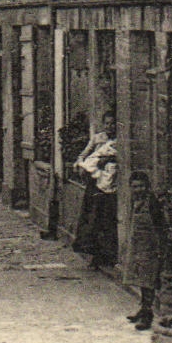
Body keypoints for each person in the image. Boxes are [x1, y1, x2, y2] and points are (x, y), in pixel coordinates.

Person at [72, 111, 118, 270]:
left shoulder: (120, 140)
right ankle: (95, 256)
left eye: (113, 123)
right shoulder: (98, 138)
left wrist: (109, 160)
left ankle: (109, 255)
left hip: (112, 183)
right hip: (96, 183)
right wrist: (81, 163)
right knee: (93, 219)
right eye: (107, 123)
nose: (110, 126)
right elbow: (84, 154)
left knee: (108, 219)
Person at [123, 170, 166, 330]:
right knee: (141, 280)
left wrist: (160, 249)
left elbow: (161, 227)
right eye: (135, 186)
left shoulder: (152, 203)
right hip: (137, 246)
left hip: (150, 248)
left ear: (147, 187)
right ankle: (142, 309)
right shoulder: (134, 201)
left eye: (141, 186)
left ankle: (147, 315)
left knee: (148, 282)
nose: (138, 189)